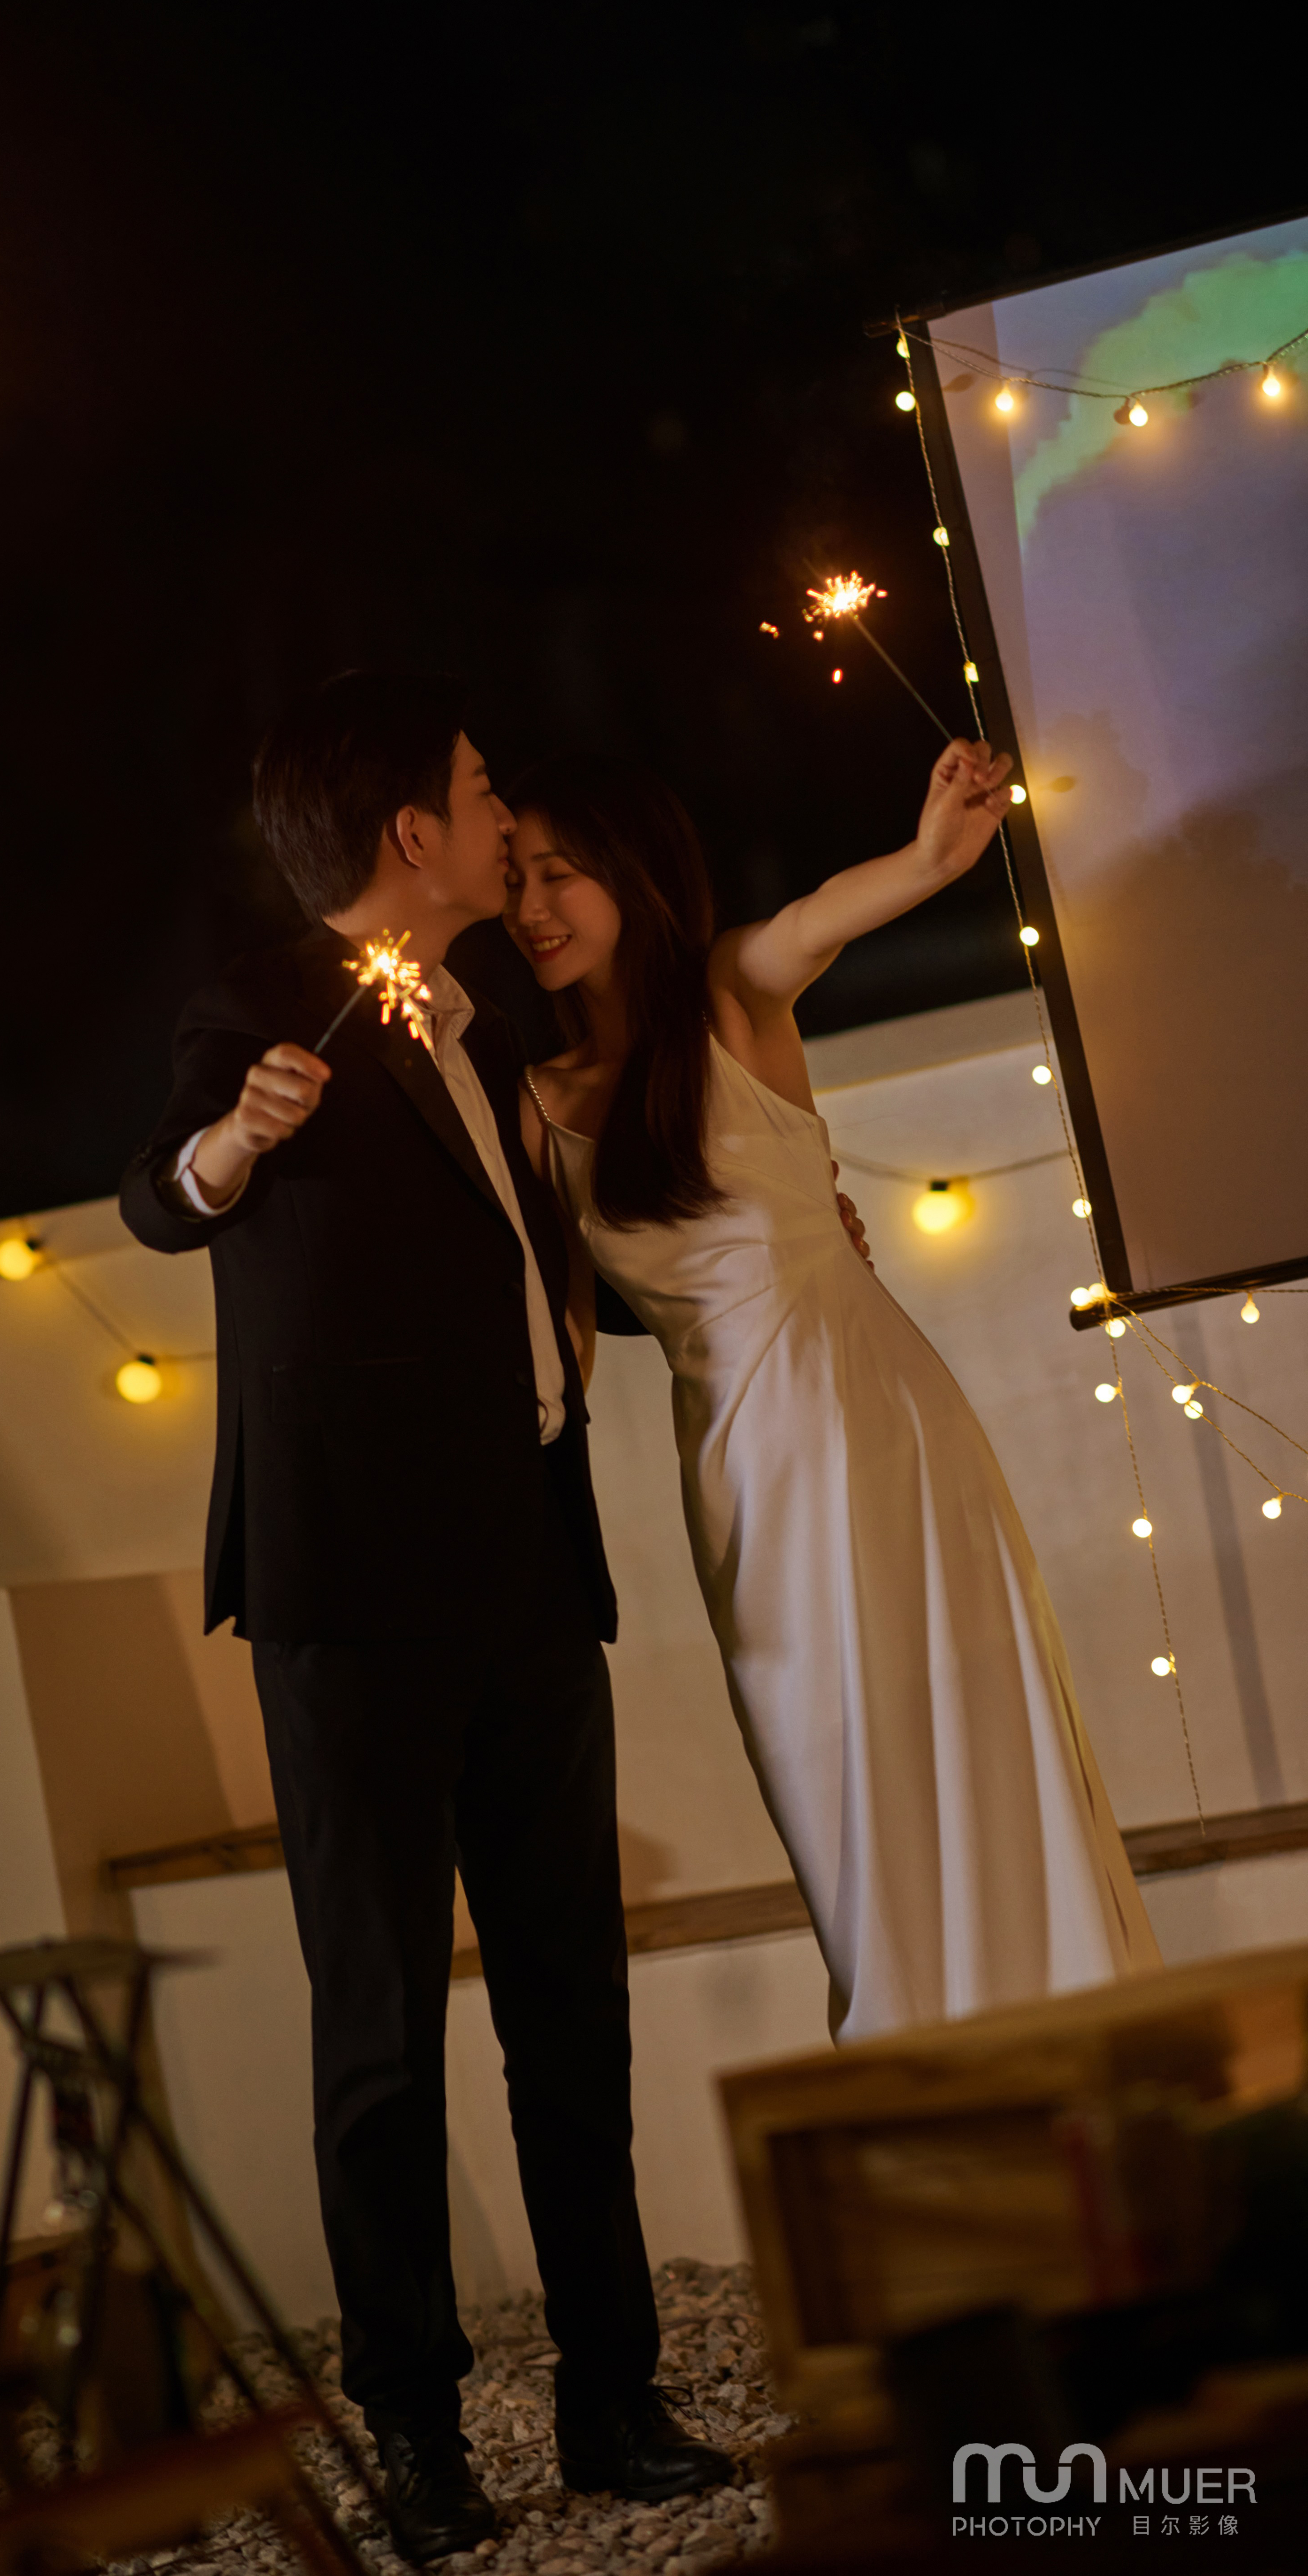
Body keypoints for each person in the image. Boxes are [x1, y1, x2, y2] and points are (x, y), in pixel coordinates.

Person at [119, 674, 733, 2567]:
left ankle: (617, 2398)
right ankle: (414, 2430)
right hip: (355, 1600)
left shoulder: (486, 1025)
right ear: (411, 832)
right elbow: (161, 1196)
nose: (501, 818)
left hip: (531, 1574)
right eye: (478, 793)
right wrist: (236, 1141)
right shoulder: (257, 1010)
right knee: (382, 2032)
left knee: (572, 2009)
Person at [502, 743, 1162, 2046]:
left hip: (880, 1415)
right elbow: (561, 1343)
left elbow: (822, 918)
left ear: (632, 873)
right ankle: (925, 2076)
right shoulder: (534, 1105)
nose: (531, 907)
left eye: (559, 873)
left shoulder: (730, 994)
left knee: (981, 1725)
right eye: (514, 879)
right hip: (743, 1468)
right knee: (835, 1781)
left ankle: (1076, 2059)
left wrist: (930, 852)